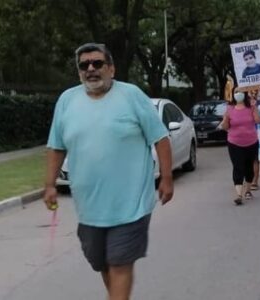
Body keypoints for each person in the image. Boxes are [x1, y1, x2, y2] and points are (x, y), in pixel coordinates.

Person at [44, 43, 174, 300]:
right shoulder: (67, 101)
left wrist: (167, 178)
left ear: (111, 68)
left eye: (97, 63)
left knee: (120, 264)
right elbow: (56, 146)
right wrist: (49, 184)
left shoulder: (132, 95)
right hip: (89, 208)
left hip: (130, 205)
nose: (91, 69)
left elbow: (160, 137)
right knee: (102, 264)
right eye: (84, 65)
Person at [221, 88, 260, 205]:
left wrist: (256, 109)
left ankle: (248, 190)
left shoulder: (251, 107)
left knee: (249, 168)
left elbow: (259, 121)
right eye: (235, 92)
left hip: (251, 142)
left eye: (240, 92)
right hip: (234, 143)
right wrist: (225, 120)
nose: (238, 94)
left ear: (244, 94)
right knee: (238, 167)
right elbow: (225, 126)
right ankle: (239, 194)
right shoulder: (229, 109)